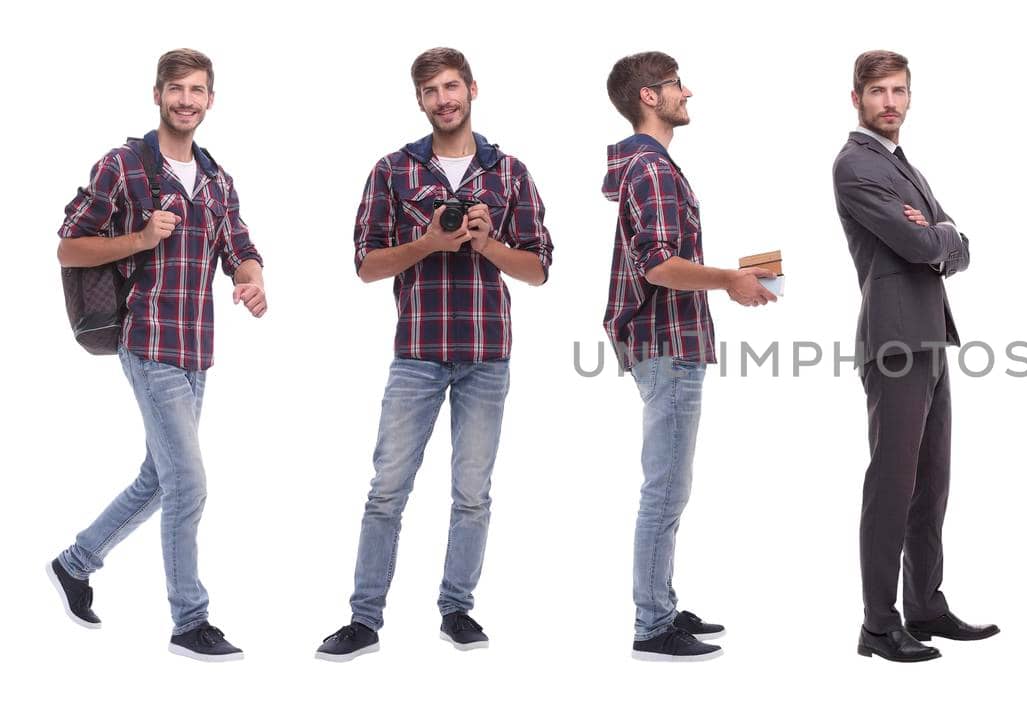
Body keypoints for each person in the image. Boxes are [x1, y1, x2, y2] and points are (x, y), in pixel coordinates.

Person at [315, 47, 553, 662]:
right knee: (387, 490)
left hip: (486, 355)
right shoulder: (393, 172)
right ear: (419, 101)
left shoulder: (510, 173)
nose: (444, 99)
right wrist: (426, 242)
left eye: (452, 86)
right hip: (417, 353)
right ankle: (364, 620)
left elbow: (539, 270)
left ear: (472, 88)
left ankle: (457, 609)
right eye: (431, 91)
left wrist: (486, 242)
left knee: (472, 492)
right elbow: (366, 266)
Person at [48, 48, 266, 663]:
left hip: (197, 348)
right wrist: (140, 238)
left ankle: (75, 563)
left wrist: (251, 280)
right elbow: (68, 250)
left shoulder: (219, 181)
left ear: (210, 100)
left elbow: (241, 248)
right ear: (157, 94)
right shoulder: (125, 167)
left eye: (198, 90)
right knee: (188, 483)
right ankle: (189, 620)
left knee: (160, 476)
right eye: (177, 89)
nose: (187, 100)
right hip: (146, 341)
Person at [602, 50, 776, 662]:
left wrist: (730, 281)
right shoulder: (653, 170)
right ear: (649, 96)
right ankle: (652, 625)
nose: (687, 93)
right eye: (676, 85)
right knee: (666, 488)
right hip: (667, 344)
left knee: (670, 484)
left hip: (666, 341)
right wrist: (731, 279)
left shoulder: (648, 166)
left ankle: (663, 603)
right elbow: (656, 265)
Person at [832, 49, 997, 664]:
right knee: (893, 483)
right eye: (878, 92)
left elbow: (949, 239)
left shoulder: (901, 164)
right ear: (857, 99)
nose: (890, 103)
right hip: (895, 340)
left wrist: (940, 234)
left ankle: (925, 605)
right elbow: (920, 239)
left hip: (930, 336)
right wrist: (938, 234)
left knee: (932, 482)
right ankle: (879, 624)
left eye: (899, 91)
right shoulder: (854, 164)